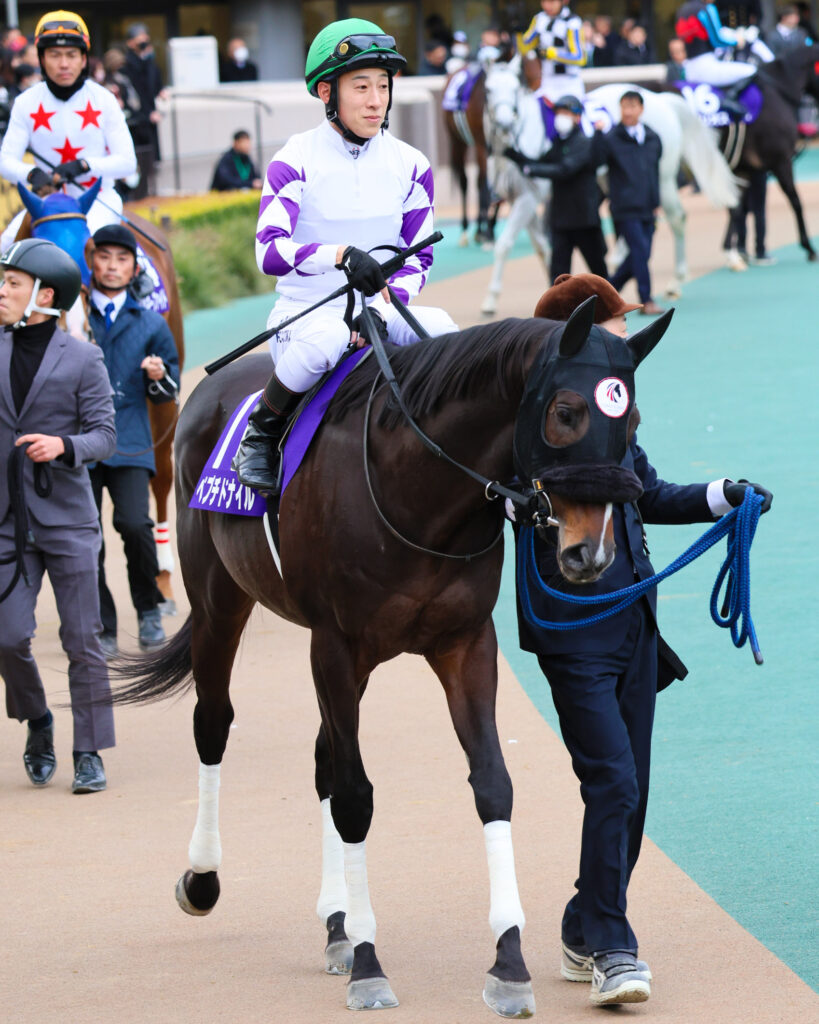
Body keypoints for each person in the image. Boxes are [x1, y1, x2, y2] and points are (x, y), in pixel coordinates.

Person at [514, 271, 773, 1006]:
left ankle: (580, 923)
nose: (624, 346)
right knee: (614, 783)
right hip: (572, 630)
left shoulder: (612, 415)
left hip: (635, 622)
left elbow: (648, 495)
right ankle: (611, 948)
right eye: (614, 330)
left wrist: (726, 494)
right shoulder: (536, 424)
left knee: (635, 791)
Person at [234, 18, 457, 494]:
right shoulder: (293, 159)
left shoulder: (412, 164)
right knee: (326, 340)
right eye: (361, 87)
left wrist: (383, 303)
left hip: (382, 308)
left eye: (383, 85)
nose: (376, 100)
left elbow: (420, 257)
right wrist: (337, 255)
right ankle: (261, 433)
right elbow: (269, 251)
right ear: (326, 92)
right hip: (305, 314)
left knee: (447, 333)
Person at [0, 238, 117, 793]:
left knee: (81, 639)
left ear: (44, 296)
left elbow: (105, 437)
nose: (1, 291)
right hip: (6, 522)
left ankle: (88, 748)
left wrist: (63, 446)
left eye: (12, 284)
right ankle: (37, 720)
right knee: (7, 637)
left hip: (69, 520)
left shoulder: (83, 358)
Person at [86, 223, 179, 658]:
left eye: (122, 259)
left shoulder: (151, 325)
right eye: (104, 257)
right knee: (87, 538)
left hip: (129, 439)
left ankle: (147, 609)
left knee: (135, 526)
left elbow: (171, 387)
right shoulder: (72, 317)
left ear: (133, 267)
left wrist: (159, 377)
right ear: (92, 262)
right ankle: (101, 623)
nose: (112, 266)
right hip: (77, 444)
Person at [0, 11, 137, 251]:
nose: (64, 64)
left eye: (71, 55)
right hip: (46, 203)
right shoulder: (25, 102)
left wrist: (84, 165)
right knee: (5, 248)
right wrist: (33, 174)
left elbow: (127, 163)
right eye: (54, 55)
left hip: (98, 200)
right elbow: (5, 163)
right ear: (41, 59)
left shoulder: (104, 99)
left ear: (84, 59)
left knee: (81, 249)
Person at [503, 94, 608, 281]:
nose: (561, 117)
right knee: (558, 276)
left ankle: (610, 308)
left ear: (577, 117)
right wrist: (516, 156)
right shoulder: (558, 143)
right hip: (561, 219)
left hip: (584, 219)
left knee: (599, 272)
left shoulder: (582, 142)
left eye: (566, 112)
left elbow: (564, 169)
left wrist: (531, 169)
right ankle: (557, 310)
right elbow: (540, 163)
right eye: (559, 112)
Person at [594, 91, 665, 316]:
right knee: (639, 251)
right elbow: (596, 160)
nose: (627, 111)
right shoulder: (612, 138)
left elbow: (654, 171)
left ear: (641, 109)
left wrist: (656, 201)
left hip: (648, 207)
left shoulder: (652, 138)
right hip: (625, 208)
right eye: (624, 106)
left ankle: (606, 295)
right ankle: (647, 299)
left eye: (632, 106)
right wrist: (597, 135)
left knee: (641, 255)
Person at [120, 23, 167, 198]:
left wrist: (160, 91)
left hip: (150, 119)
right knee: (138, 160)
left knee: (151, 160)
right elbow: (132, 95)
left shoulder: (149, 63)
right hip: (136, 121)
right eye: (139, 40)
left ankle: (147, 192)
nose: (143, 43)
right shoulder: (127, 66)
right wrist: (146, 114)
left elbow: (154, 85)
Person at [518, 0, 588, 103]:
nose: (547, 6)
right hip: (546, 82)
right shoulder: (539, 19)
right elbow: (526, 45)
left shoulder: (572, 22)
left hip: (569, 82)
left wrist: (553, 53)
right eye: (543, 2)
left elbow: (580, 57)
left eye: (551, 1)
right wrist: (520, 35)